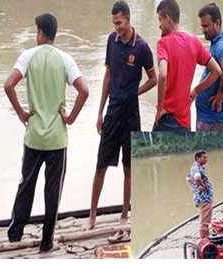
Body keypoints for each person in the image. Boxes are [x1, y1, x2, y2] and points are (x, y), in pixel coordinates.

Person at [4, 13, 89, 252]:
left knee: (26, 183)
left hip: (33, 136)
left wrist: (22, 112)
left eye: (36, 31)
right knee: (52, 191)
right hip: (56, 138)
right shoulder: (65, 59)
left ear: (40, 32)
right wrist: (69, 118)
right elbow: (84, 90)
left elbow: (8, 84)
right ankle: (46, 242)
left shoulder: (27, 56)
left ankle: (15, 232)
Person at [84, 1, 157, 239]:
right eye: (113, 23)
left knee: (129, 168)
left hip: (131, 115)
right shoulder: (111, 41)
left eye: (119, 22)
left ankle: (125, 214)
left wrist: (136, 92)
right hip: (112, 112)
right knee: (100, 165)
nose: (116, 27)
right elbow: (107, 75)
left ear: (127, 19)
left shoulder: (142, 47)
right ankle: (92, 216)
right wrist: (99, 111)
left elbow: (153, 79)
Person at [153, 0, 222, 131]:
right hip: (185, 120)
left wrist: (160, 108)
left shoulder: (163, 43)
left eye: (160, 20)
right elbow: (217, 71)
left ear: (167, 19)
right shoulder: (194, 41)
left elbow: (162, 74)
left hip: (167, 116)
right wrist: (196, 90)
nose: (159, 26)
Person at [196, 3, 223, 132]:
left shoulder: (221, 46)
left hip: (212, 119)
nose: (203, 30)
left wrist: (221, 93)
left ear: (217, 23)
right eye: (202, 26)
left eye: (206, 26)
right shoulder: (216, 43)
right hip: (208, 117)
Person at [186, 150, 213, 239]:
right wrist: (202, 185)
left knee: (204, 221)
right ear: (198, 158)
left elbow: (188, 179)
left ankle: (206, 239)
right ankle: (204, 241)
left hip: (200, 198)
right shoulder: (196, 168)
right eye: (204, 157)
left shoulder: (194, 167)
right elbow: (197, 178)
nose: (206, 159)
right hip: (204, 199)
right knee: (204, 222)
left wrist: (194, 190)